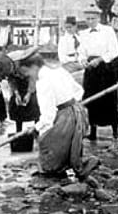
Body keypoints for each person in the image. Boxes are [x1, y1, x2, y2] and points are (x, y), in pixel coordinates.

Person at [16, 52, 98, 180]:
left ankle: (68, 169)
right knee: (68, 146)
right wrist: (72, 104)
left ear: (34, 67)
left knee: (45, 143)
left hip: (66, 118)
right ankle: (71, 169)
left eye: (27, 73)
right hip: (77, 112)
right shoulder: (58, 70)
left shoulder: (42, 82)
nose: (28, 77)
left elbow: (48, 115)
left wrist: (36, 128)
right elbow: (78, 90)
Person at [77, 6, 118, 141]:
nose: (90, 21)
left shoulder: (108, 31)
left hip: (105, 69)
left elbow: (114, 51)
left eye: (93, 19)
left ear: (99, 18)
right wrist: (82, 60)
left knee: (108, 99)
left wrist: (100, 59)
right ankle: (93, 131)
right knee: (92, 99)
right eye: (88, 19)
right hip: (90, 70)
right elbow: (81, 51)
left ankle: (115, 131)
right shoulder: (83, 33)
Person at [0, 51, 41, 133]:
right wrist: (16, 93)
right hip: (19, 79)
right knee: (15, 106)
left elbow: (33, 78)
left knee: (34, 103)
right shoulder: (3, 64)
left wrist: (29, 93)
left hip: (32, 76)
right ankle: (18, 130)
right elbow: (11, 79)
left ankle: (37, 130)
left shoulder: (23, 63)